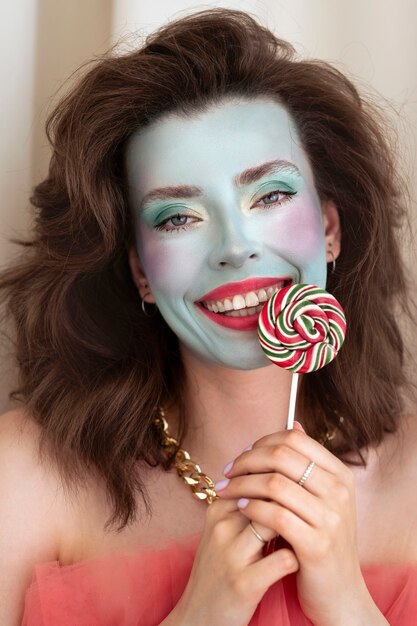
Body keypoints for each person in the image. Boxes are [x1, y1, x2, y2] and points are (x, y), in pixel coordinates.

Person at [0, 8, 416, 625]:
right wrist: (199, 614)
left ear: (329, 229)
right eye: (178, 217)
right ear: (141, 270)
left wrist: (347, 606)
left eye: (269, 196)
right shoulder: (25, 476)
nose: (233, 247)